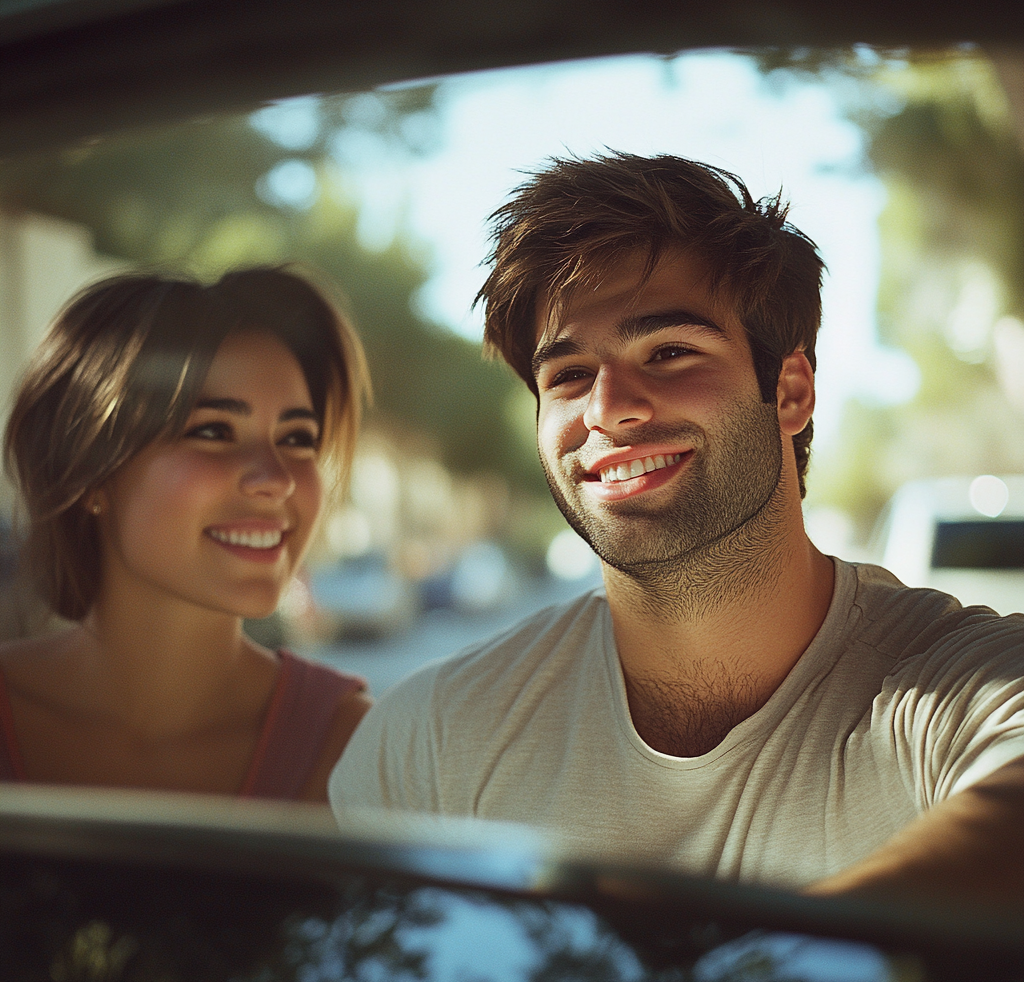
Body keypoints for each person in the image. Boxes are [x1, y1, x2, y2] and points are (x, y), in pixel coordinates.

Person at [330, 154, 1024, 905]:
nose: (608, 409)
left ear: (790, 392)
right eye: (566, 375)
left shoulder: (965, 688)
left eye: (668, 352)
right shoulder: (428, 741)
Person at [1, 267, 372, 802]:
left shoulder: (352, 744)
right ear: (89, 470)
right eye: (213, 431)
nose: (277, 480)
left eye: (297, 438)